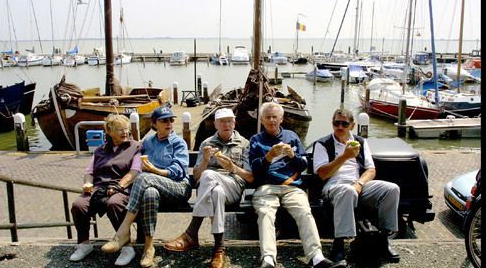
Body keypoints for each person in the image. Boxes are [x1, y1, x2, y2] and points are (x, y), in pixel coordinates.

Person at [249, 102, 346, 268]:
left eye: (275, 117)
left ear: (281, 119)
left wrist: (293, 156)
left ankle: (316, 257)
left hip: (292, 187)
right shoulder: (256, 140)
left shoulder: (291, 137)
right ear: (262, 120)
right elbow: (255, 171)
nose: (272, 120)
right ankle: (268, 259)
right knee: (266, 214)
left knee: (304, 212)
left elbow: (303, 165)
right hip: (266, 187)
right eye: (268, 117)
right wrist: (269, 156)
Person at [101, 105, 192, 268]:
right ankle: (148, 248)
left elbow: (178, 172)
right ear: (154, 123)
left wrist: (154, 170)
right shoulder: (147, 142)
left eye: (171, 120)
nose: (169, 123)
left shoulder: (179, 143)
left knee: (144, 178)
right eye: (164, 120)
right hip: (154, 189)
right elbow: (131, 157)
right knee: (149, 192)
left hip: (178, 187)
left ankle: (122, 232)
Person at [164, 108, 253, 268]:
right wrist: (205, 160)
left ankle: (192, 232)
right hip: (211, 190)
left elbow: (249, 177)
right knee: (215, 191)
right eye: (222, 121)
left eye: (229, 121)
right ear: (215, 124)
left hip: (233, 186)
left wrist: (232, 167)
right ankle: (219, 249)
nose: (226, 124)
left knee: (209, 176)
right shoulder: (207, 144)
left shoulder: (245, 143)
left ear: (234, 122)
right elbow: (197, 176)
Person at [313, 108, 400, 263]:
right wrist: (345, 156)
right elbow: (322, 174)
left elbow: (371, 170)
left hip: (358, 184)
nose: (340, 127)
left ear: (352, 126)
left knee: (392, 189)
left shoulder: (360, 142)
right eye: (336, 123)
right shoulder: (322, 144)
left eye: (344, 124)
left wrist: (360, 183)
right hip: (334, 185)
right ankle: (339, 244)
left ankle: (384, 239)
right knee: (347, 191)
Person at [70, 114, 142, 266]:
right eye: (120, 129)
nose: (125, 133)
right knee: (79, 205)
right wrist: (87, 185)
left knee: (114, 204)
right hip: (99, 187)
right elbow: (89, 172)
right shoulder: (100, 150)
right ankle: (84, 244)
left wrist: (119, 186)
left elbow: (135, 171)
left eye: (126, 129)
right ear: (109, 131)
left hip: (123, 188)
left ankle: (126, 247)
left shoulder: (135, 147)